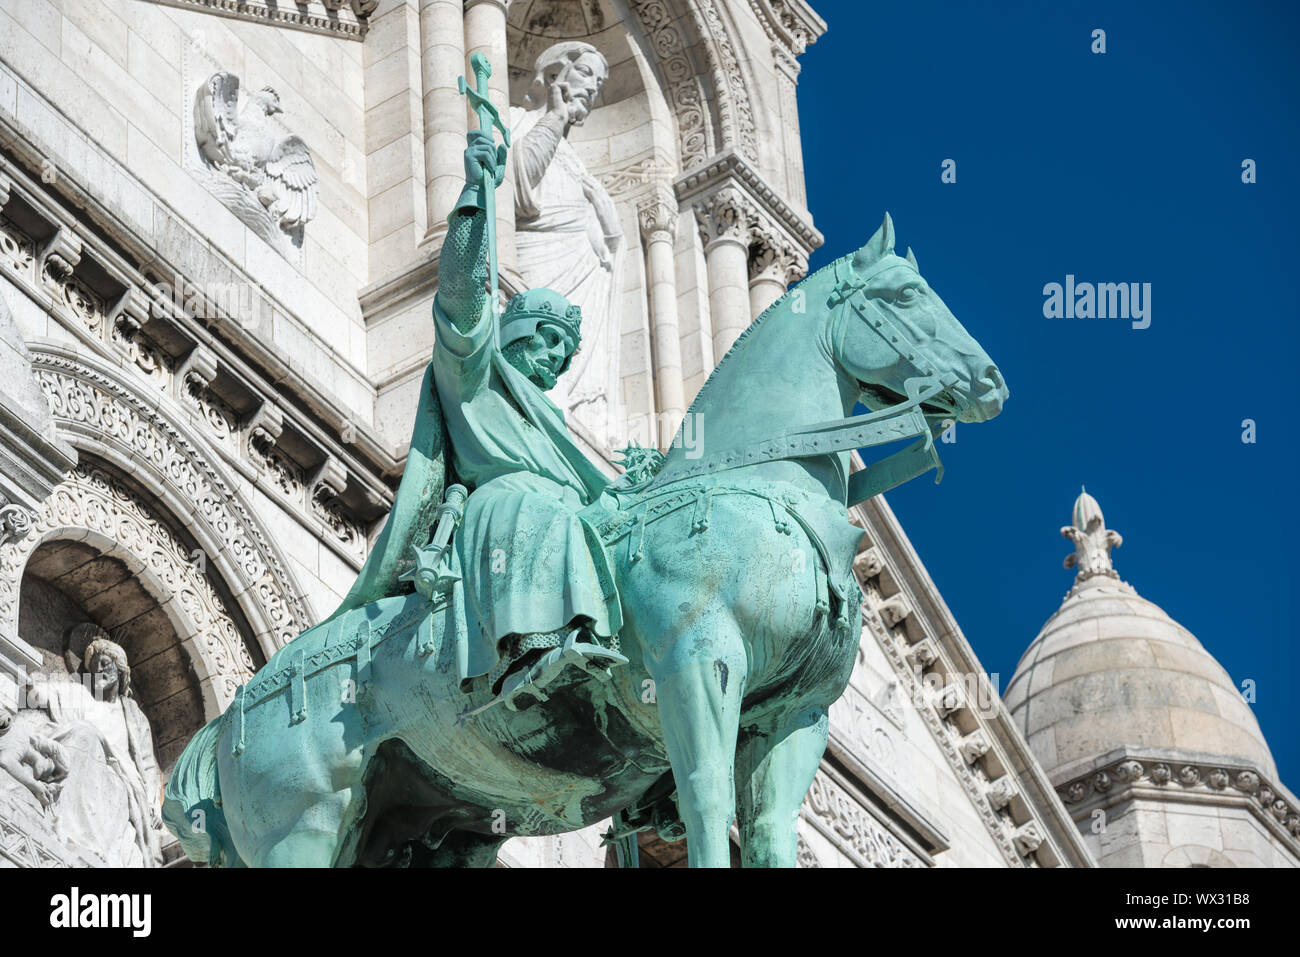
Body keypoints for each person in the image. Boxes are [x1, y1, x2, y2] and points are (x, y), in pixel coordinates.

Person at [431, 128, 626, 707]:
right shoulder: (476, 370)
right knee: (554, 516)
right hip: (506, 503)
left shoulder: (555, 422)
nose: (553, 361)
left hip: (561, 506)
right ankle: (528, 656)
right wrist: (474, 199)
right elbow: (461, 296)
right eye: (544, 343)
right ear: (514, 332)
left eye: (563, 356)